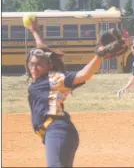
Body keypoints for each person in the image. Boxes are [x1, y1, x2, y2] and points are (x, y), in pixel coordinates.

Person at [24, 18, 127, 167]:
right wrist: (34, 31)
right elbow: (43, 51)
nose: (34, 67)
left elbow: (83, 75)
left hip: (56, 130)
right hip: (55, 133)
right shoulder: (42, 79)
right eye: (31, 63)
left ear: (48, 65)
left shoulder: (55, 79)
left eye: (38, 64)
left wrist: (99, 55)